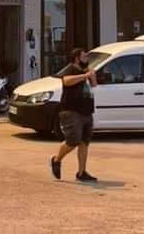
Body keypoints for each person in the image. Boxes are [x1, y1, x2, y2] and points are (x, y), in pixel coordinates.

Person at [50, 47, 98, 183]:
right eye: (84, 57)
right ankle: (56, 159)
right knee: (73, 140)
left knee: (84, 142)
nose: (87, 60)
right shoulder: (71, 68)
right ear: (77, 58)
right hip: (72, 111)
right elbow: (66, 81)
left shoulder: (85, 71)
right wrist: (85, 76)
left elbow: (94, 85)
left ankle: (82, 172)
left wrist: (92, 75)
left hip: (87, 111)